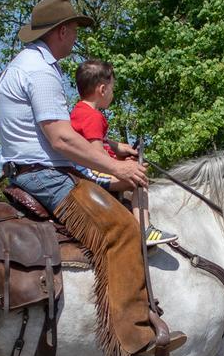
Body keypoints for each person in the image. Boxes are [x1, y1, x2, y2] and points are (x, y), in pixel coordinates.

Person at [0, 0, 184, 356]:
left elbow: (68, 135)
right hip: (45, 177)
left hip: (34, 171)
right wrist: (118, 169)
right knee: (122, 229)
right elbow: (61, 139)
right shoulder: (41, 71)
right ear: (62, 31)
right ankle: (133, 337)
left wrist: (112, 148)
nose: (77, 37)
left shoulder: (25, 65)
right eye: (75, 30)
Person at [70, 59, 177, 247]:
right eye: (112, 88)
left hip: (83, 170)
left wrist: (122, 148)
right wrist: (121, 167)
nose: (113, 93)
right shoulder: (94, 117)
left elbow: (98, 141)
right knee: (138, 180)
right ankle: (145, 229)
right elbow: (96, 153)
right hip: (91, 173)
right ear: (102, 90)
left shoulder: (80, 111)